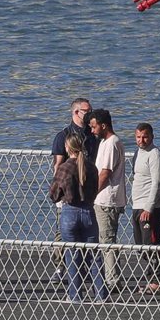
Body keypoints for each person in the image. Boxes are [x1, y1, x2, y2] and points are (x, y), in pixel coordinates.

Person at [49, 133, 106, 303]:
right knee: (94, 255)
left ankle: (75, 296)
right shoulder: (91, 167)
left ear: (68, 147)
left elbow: (54, 194)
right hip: (89, 211)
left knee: (72, 255)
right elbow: (96, 189)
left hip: (70, 212)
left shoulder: (65, 168)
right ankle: (101, 295)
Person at [49, 97, 96, 283]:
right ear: (76, 112)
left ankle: (84, 267)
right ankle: (61, 266)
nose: (90, 114)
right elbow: (58, 165)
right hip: (67, 192)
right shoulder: (63, 135)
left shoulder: (92, 135)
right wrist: (58, 190)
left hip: (87, 192)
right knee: (63, 231)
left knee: (87, 232)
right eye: (87, 111)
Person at [89, 108, 127, 292]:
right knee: (105, 239)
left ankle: (112, 280)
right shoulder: (105, 142)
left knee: (107, 240)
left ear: (104, 125)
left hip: (107, 199)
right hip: (104, 199)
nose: (92, 130)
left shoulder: (112, 143)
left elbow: (105, 173)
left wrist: (92, 193)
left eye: (94, 126)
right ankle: (110, 276)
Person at [131, 123, 160, 295]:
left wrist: (149, 208)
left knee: (151, 244)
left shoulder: (155, 155)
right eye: (138, 137)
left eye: (144, 136)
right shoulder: (138, 153)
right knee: (141, 246)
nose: (141, 140)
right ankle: (153, 276)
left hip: (150, 208)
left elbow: (157, 183)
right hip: (137, 206)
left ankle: (157, 279)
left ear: (152, 136)